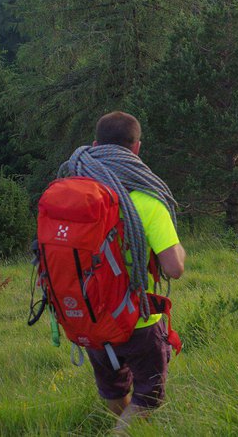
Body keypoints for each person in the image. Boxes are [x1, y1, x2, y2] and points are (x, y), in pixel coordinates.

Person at [66, 112, 186, 429]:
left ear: (95, 146)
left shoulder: (75, 197)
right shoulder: (146, 200)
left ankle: (126, 428)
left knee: (114, 391)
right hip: (138, 322)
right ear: (136, 149)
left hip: (90, 318)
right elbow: (174, 268)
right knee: (148, 398)